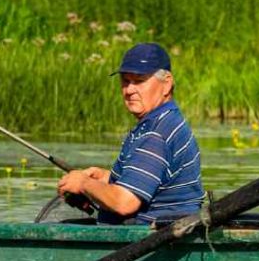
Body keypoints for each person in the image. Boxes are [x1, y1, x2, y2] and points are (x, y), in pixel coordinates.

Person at [57, 42, 204, 224]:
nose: (129, 90)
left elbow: (125, 202)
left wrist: (84, 184)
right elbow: (150, 181)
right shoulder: (163, 120)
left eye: (139, 81)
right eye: (126, 81)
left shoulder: (156, 135)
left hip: (153, 240)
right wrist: (104, 178)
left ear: (166, 84)